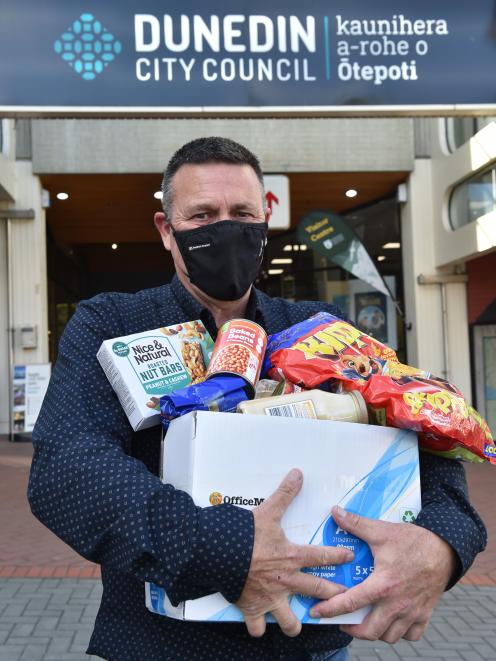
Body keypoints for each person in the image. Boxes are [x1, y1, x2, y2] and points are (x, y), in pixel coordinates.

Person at [28, 137, 487, 661]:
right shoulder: (111, 324)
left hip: (313, 644)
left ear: (263, 223)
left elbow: (421, 434)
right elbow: (67, 466)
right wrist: (229, 551)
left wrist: (444, 545)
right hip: (162, 644)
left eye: (242, 213)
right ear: (166, 230)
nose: (225, 229)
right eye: (202, 215)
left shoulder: (322, 332)